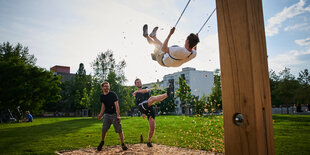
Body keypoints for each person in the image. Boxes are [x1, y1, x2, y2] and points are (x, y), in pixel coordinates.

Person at [133, 78, 173, 147]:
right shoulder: (136, 94)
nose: (139, 83)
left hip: (149, 107)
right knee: (152, 98)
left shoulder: (145, 88)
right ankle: (167, 94)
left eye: (139, 82)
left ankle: (148, 141)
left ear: (141, 83)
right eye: (137, 82)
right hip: (142, 106)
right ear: (136, 84)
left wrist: (136, 91)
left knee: (152, 128)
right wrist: (142, 112)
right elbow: (137, 103)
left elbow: (146, 90)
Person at [97, 81, 128, 151]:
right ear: (102, 87)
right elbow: (103, 105)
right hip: (106, 115)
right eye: (105, 86)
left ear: (109, 87)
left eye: (107, 86)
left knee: (119, 129)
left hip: (114, 114)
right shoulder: (102, 96)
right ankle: (102, 142)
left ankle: (123, 144)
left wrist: (118, 115)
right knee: (104, 129)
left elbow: (117, 105)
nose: (106, 87)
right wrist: (101, 114)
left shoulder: (113, 94)